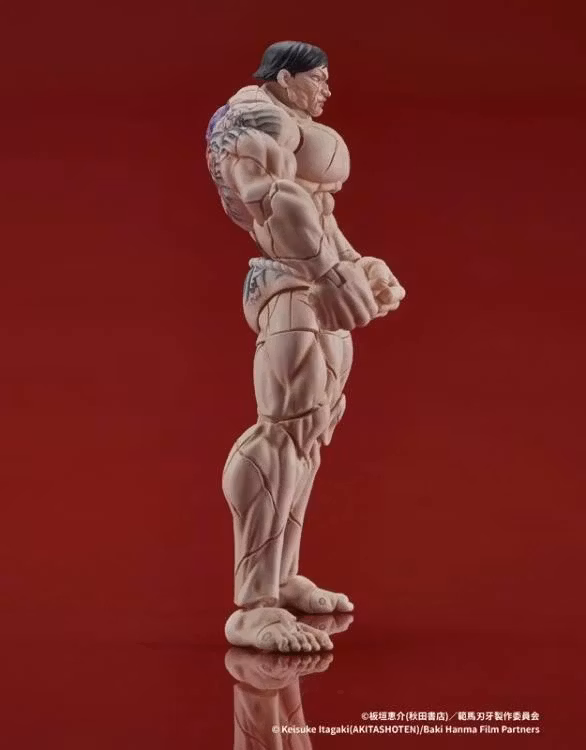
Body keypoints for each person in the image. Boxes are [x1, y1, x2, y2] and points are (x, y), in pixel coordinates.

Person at [205, 41, 406, 652]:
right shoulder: (253, 115)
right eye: (317, 79)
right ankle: (254, 605)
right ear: (285, 77)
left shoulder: (291, 120)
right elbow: (273, 200)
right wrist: (326, 272)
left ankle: (282, 578)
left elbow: (319, 210)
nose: (326, 91)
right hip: (290, 284)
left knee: (310, 432)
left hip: (315, 280)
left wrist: (357, 265)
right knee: (280, 431)